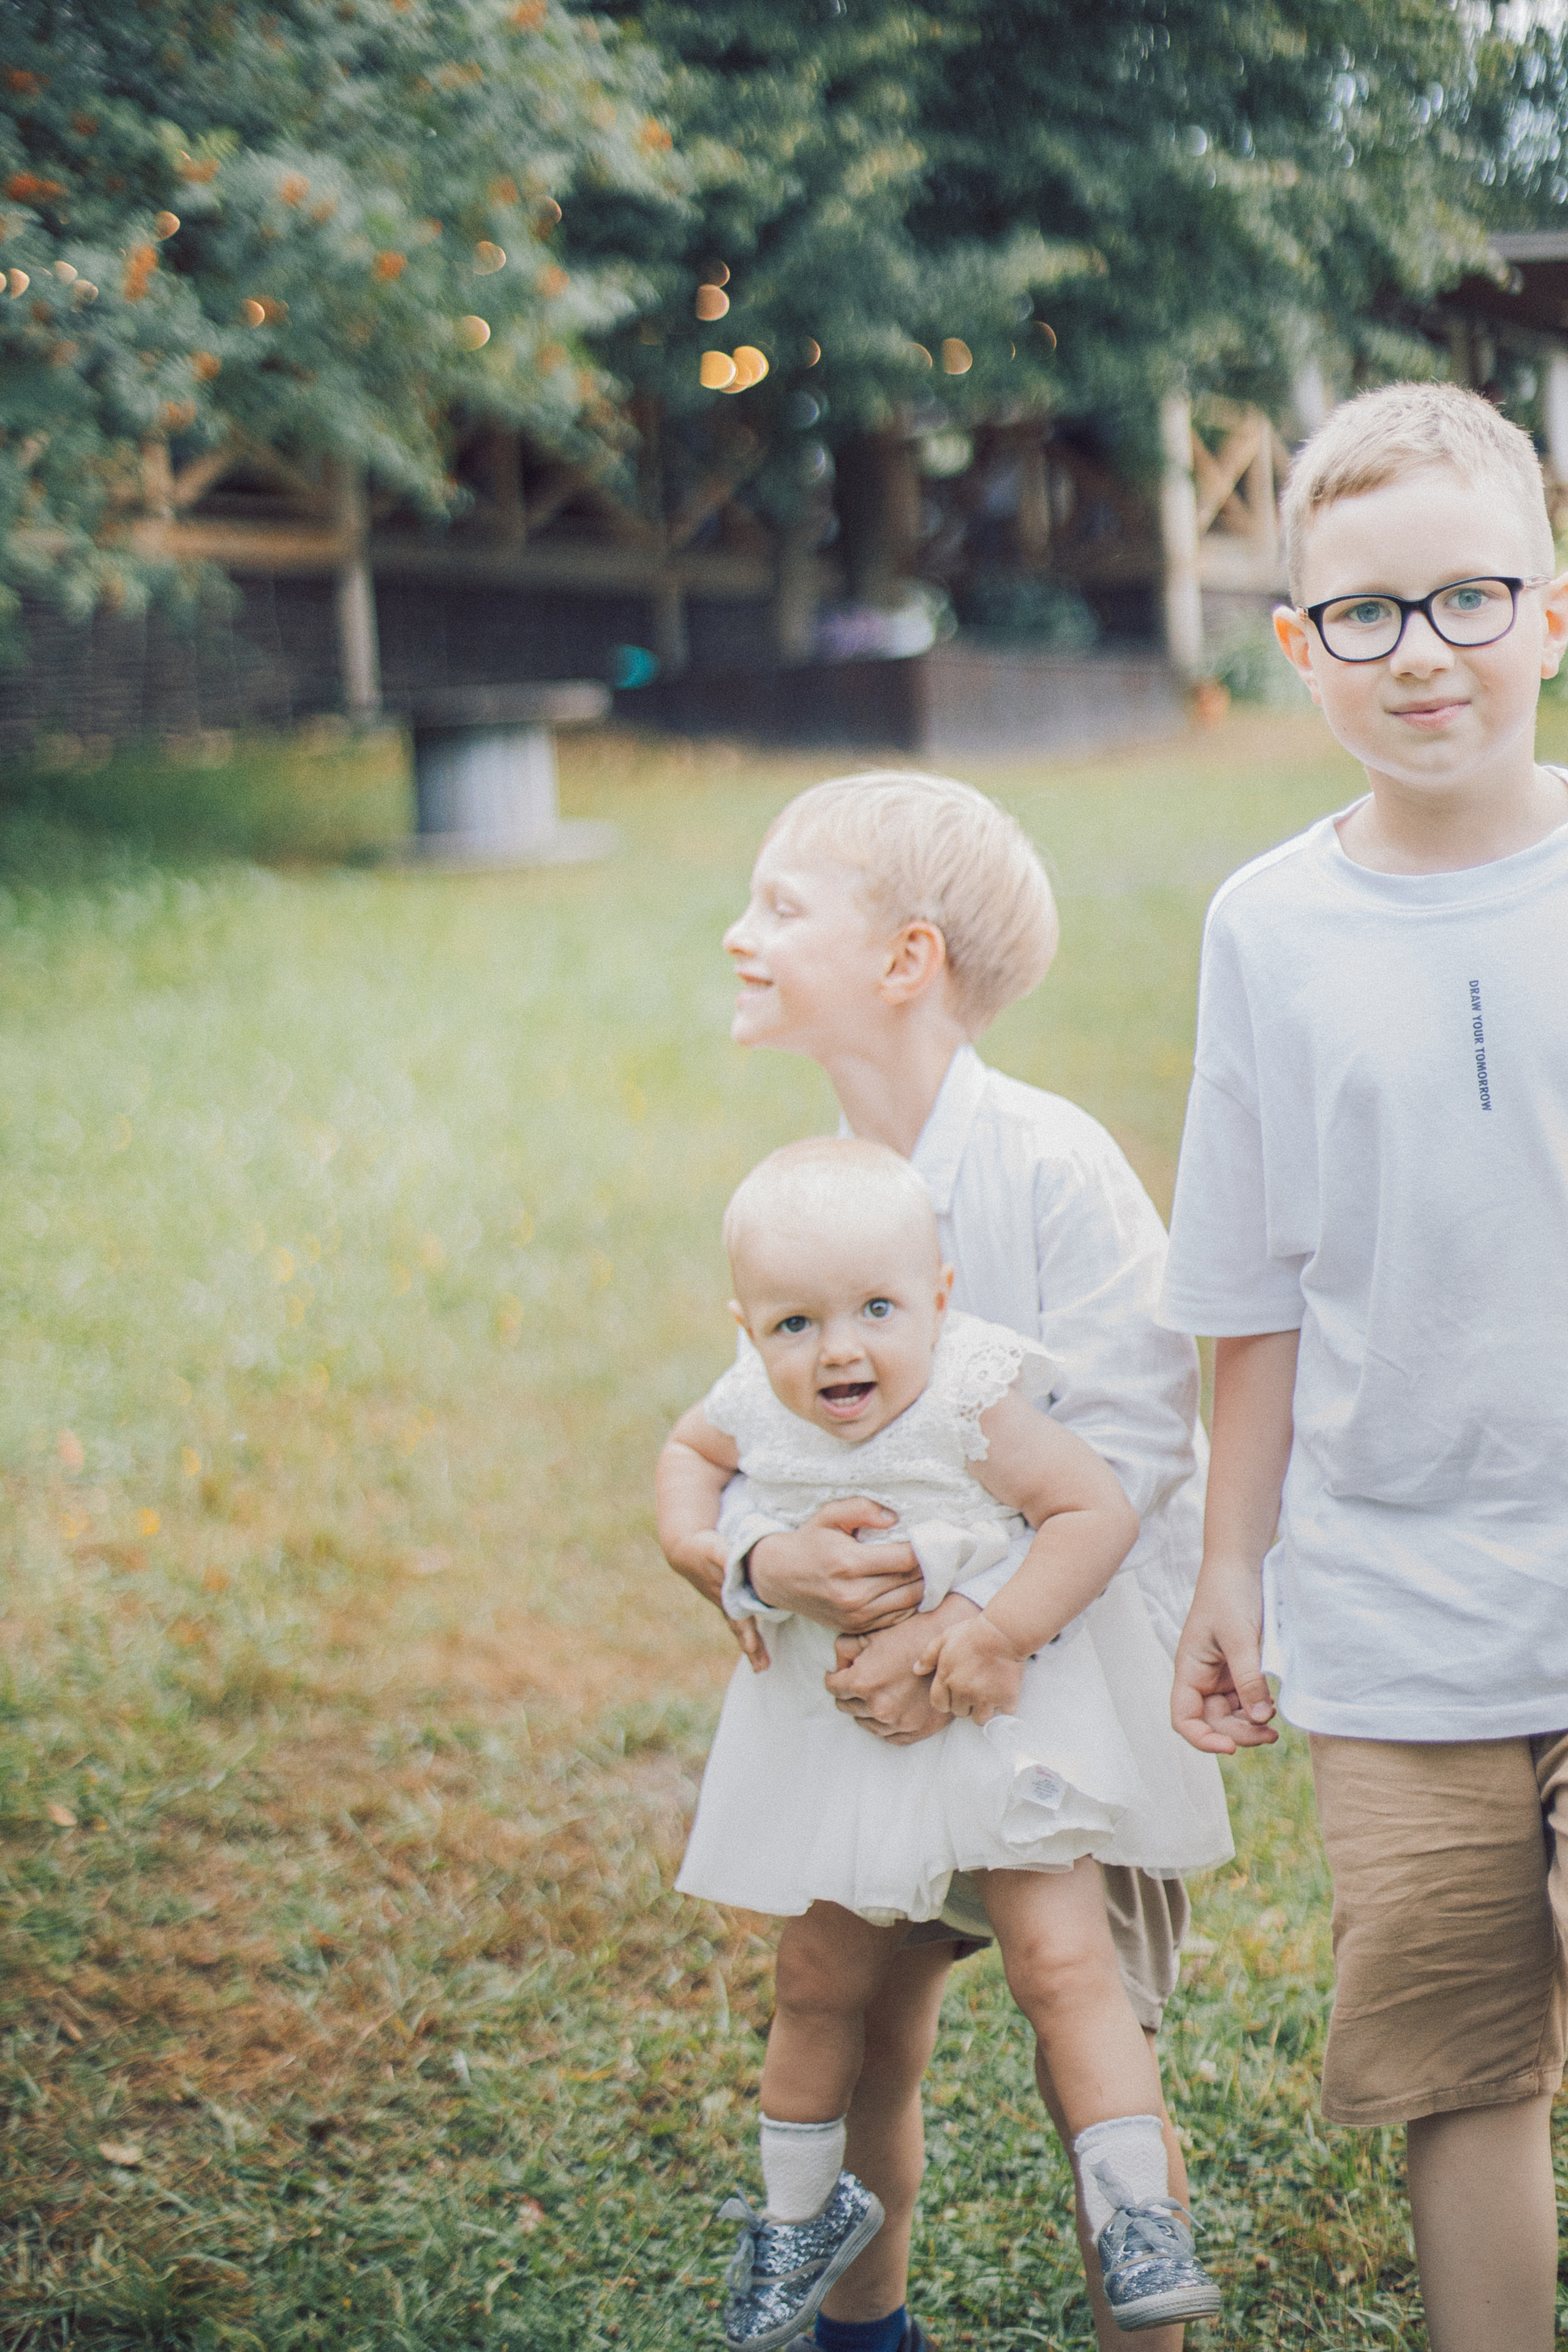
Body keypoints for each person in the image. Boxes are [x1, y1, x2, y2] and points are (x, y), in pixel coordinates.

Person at [660, 769, 1230, 2352]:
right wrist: (765, 1565)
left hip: (1060, 1684)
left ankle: (1149, 2327)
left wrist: (983, 1630)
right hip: (871, 1706)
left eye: (782, 907)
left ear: (906, 960)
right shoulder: (821, 1199)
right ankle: (863, 2329)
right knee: (861, 2027)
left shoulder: (1048, 1166)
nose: (740, 934)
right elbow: (745, 1447)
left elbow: (1135, 1450)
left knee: (1083, 2017)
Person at [1160, 380, 1568, 2352]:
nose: (1426, 656)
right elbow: (1249, 1287)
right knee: (1460, 2053)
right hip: (1395, 1603)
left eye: (1472, 598)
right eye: (1368, 615)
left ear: (1553, 611)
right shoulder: (1270, 927)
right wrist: (1231, 1567)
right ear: (1298, 646)